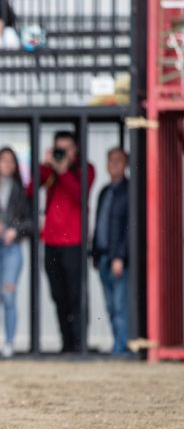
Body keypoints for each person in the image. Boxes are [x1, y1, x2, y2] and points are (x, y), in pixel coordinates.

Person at [34, 131, 95, 353]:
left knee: (76, 295)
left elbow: (81, 194)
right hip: (50, 241)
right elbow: (31, 189)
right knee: (58, 295)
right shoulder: (49, 170)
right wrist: (46, 165)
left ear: (75, 149)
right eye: (59, 148)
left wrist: (63, 171)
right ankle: (66, 345)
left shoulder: (85, 169)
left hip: (75, 242)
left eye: (67, 148)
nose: (63, 153)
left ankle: (80, 345)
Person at [0, 147, 33, 357]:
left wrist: (16, 230)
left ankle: (9, 343)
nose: (7, 164)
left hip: (12, 248)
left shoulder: (21, 191)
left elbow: (31, 221)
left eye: (11, 161)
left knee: (8, 295)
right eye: (3, 160)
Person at [92, 148, 130, 356]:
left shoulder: (130, 190)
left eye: (118, 160)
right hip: (104, 257)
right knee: (110, 306)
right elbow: (99, 225)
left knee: (120, 306)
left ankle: (121, 348)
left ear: (126, 164)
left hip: (118, 259)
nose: (114, 164)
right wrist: (96, 254)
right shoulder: (104, 191)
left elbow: (129, 228)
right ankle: (118, 342)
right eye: (111, 160)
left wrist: (120, 256)